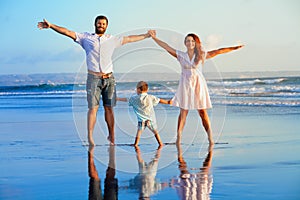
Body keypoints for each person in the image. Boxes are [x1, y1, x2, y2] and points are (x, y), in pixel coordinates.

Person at [37, 16, 152, 146]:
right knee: (93, 109)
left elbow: (130, 38)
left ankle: (112, 135)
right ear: (95, 24)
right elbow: (67, 32)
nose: (101, 25)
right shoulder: (86, 38)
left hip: (109, 79)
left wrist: (146, 35)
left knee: (109, 109)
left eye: (103, 24)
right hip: (93, 79)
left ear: (106, 26)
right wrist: (51, 26)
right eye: (99, 23)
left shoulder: (112, 39)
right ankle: (90, 137)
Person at [149, 31, 244, 144]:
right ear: (185, 43)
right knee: (183, 112)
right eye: (188, 41)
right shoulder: (181, 55)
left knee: (202, 112)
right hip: (185, 84)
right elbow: (166, 47)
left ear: (196, 43)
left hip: (198, 85)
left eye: (192, 41)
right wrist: (154, 38)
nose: (190, 43)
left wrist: (234, 48)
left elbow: (218, 51)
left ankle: (210, 139)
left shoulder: (200, 55)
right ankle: (178, 139)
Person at [117, 81, 172, 147]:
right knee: (155, 132)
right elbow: (159, 100)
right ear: (147, 89)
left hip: (141, 120)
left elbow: (126, 99)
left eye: (136, 89)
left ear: (139, 89)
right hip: (151, 119)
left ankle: (136, 144)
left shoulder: (135, 98)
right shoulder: (151, 97)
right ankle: (160, 143)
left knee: (139, 132)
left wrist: (118, 99)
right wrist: (168, 102)